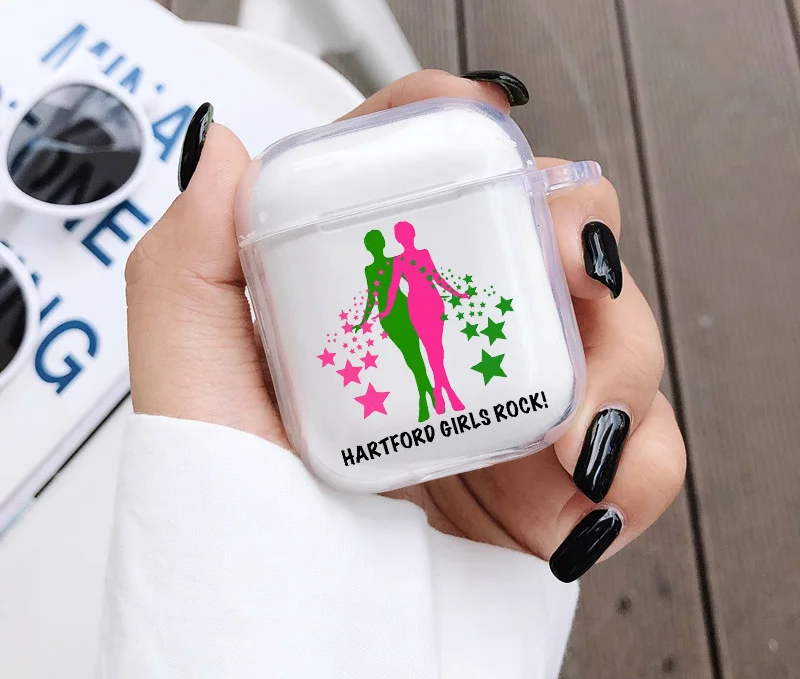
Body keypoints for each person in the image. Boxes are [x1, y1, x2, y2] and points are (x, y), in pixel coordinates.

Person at [98, 70, 685, 678]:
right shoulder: (373, 257)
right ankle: (438, 395)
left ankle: (442, 394)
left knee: (437, 361)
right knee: (419, 363)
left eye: (392, 237)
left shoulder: (408, 249)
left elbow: (433, 284)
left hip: (422, 321)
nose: (387, 242)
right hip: (399, 329)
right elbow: (377, 303)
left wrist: (451, 297)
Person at [381, 220, 470, 415]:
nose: (405, 237)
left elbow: (437, 277)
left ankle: (439, 390)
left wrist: (456, 293)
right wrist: (387, 310)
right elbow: (393, 287)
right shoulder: (398, 261)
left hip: (434, 302)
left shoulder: (424, 254)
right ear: (398, 239)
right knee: (432, 350)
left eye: (406, 233)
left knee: (437, 350)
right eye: (401, 235)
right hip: (417, 304)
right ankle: (447, 392)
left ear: (413, 234)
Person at [354, 229, 435, 422]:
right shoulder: (369, 270)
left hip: (404, 310)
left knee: (414, 353)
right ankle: (429, 391)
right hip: (388, 318)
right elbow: (372, 297)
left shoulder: (395, 262)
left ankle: (424, 398)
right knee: (411, 356)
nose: (375, 247)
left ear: (382, 243)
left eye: (376, 242)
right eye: (371, 244)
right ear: (368, 248)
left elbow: (413, 281)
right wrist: (363, 321)